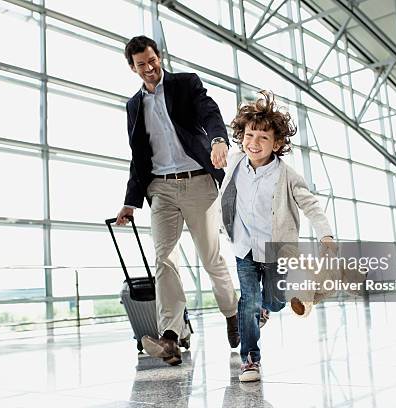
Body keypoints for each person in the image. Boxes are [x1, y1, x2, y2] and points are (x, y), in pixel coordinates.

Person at [115, 35, 239, 366]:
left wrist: (217, 140)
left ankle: (232, 313)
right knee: (164, 260)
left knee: (211, 258)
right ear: (133, 68)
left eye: (152, 60)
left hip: (198, 181)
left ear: (159, 57)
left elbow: (209, 112)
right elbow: (138, 157)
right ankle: (170, 336)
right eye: (141, 64)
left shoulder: (185, 84)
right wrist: (130, 201)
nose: (149, 68)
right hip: (161, 188)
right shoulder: (133, 106)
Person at [218, 91, 335, 382]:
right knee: (248, 298)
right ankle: (250, 359)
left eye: (263, 138)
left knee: (274, 300)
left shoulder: (288, 175)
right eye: (249, 135)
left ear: (278, 143)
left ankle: (276, 305)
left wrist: (326, 236)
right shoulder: (234, 162)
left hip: (275, 251)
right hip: (243, 247)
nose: (253, 143)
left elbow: (311, 205)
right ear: (241, 136)